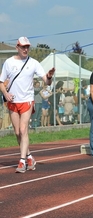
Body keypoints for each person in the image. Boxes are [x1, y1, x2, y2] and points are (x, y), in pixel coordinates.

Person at [0, 36, 55, 173]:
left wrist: (49, 76)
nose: (25, 49)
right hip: (13, 101)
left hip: (27, 100)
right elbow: (1, 83)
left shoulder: (34, 63)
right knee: (18, 132)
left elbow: (46, 82)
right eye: (23, 47)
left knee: (24, 130)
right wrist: (6, 94)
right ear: (17, 47)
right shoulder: (8, 62)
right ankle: (29, 156)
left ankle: (22, 161)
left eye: (27, 47)